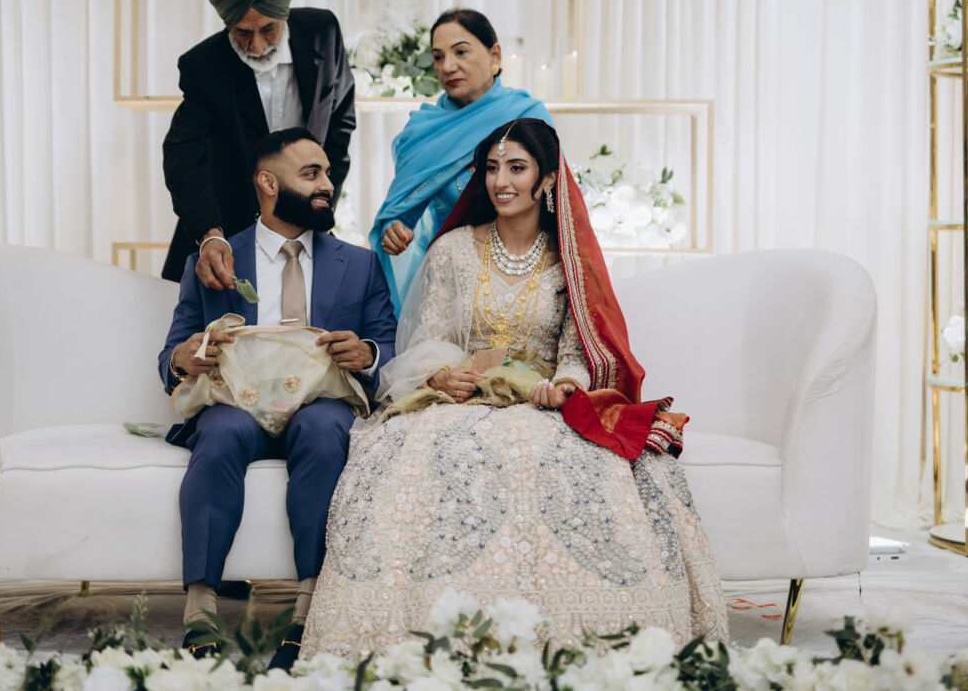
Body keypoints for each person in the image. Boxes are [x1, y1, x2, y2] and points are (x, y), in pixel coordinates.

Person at [302, 120, 728, 659]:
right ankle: (415, 632)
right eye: (492, 168)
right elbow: (429, 335)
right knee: (421, 456)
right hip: (458, 398)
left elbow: (577, 351)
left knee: (564, 460)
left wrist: (563, 387)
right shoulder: (453, 250)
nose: (501, 181)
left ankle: (574, 634)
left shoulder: (568, 260)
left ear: (547, 179)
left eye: (517, 168)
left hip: (539, 403)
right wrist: (440, 374)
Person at [158, 128, 397, 669]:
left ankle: (310, 613)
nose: (327, 185)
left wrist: (367, 354)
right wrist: (184, 358)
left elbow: (389, 348)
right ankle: (200, 610)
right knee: (220, 431)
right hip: (236, 406)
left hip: (320, 407)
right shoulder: (212, 261)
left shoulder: (360, 264)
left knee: (324, 428)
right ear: (268, 183)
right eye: (311, 174)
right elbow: (171, 353)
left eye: (327, 174)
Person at [162, 0, 357, 284]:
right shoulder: (203, 65)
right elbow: (183, 154)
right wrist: (210, 233)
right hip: (228, 226)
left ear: (284, 14)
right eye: (242, 32)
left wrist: (320, 204)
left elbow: (341, 124)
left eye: (268, 29)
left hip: (307, 225)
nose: (257, 45)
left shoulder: (323, 32)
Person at [370, 9, 550, 317]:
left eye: (461, 52)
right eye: (438, 57)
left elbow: (556, 202)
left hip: (527, 273)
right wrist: (393, 230)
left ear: (495, 54)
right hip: (449, 279)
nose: (448, 66)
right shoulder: (422, 132)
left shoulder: (527, 115)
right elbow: (400, 213)